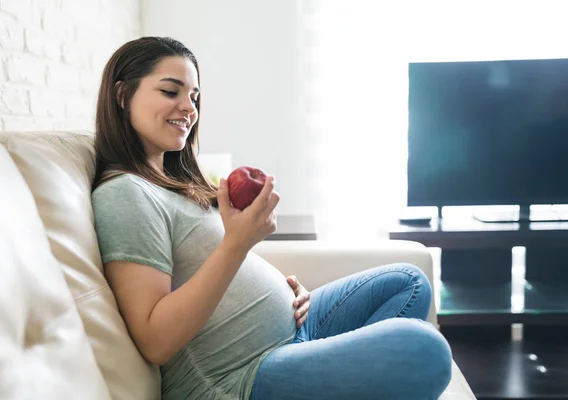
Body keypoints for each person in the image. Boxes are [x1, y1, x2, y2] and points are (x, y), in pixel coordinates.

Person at [91, 36, 453, 400]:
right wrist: (236, 245)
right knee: (424, 349)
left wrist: (283, 286)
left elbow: (205, 265)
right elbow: (155, 340)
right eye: (172, 91)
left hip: (291, 333)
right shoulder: (125, 193)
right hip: (240, 377)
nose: (189, 108)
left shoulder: (174, 182)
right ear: (123, 96)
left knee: (408, 281)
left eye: (195, 97)